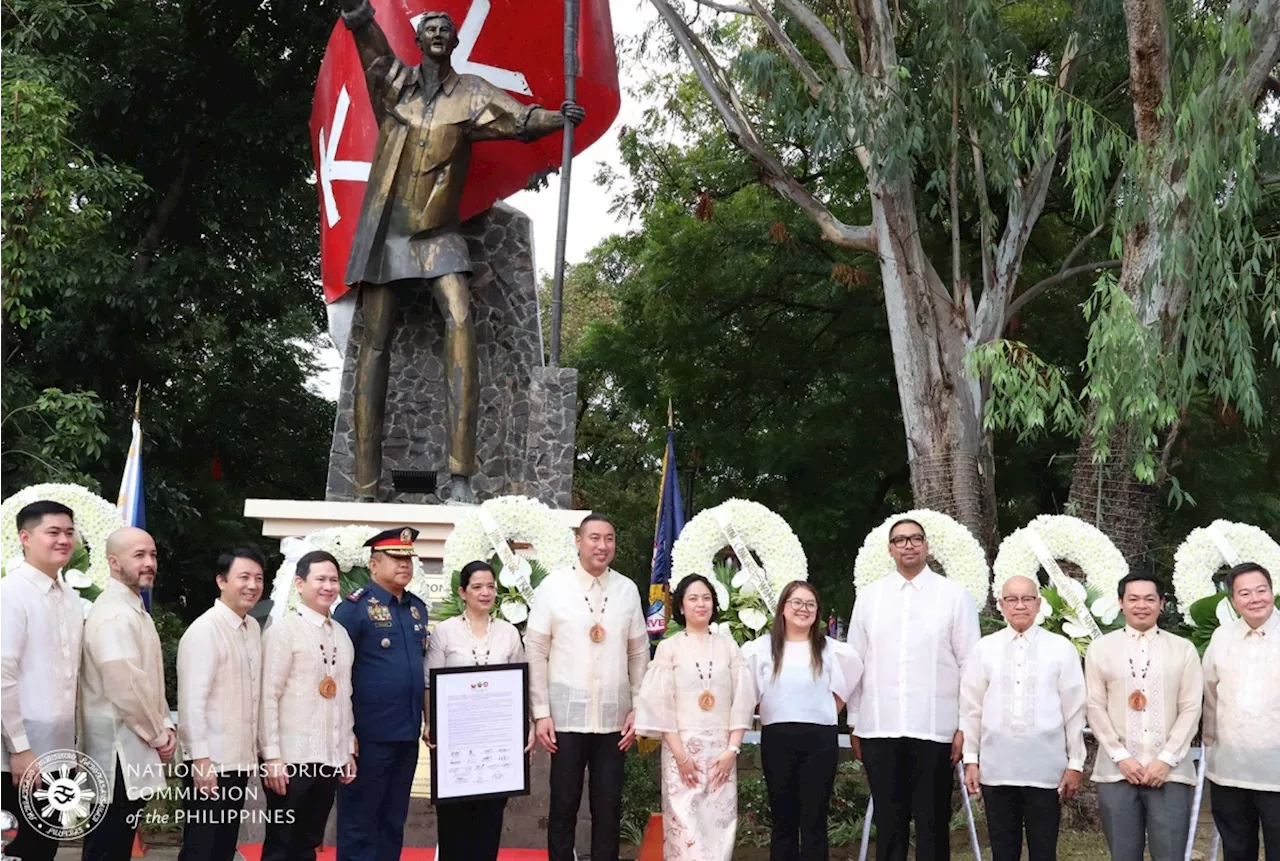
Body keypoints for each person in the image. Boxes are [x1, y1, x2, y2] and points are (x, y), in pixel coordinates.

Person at [333, 0, 586, 503]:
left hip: (439, 235)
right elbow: (374, 51)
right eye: (429, 29)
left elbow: (516, 117)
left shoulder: (469, 93)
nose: (437, 35)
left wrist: (558, 118)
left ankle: (460, 479)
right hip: (389, 234)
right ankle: (363, 488)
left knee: (462, 322)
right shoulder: (396, 84)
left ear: (453, 43)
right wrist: (359, 15)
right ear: (419, 39)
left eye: (444, 30)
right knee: (374, 345)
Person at [846, 518, 980, 861]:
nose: (908, 545)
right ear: (890, 549)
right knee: (889, 821)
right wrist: (856, 723)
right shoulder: (870, 598)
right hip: (880, 727)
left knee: (932, 820)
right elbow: (854, 665)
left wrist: (966, 726)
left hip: (935, 729)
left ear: (926, 545)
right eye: (900, 540)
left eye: (915, 538)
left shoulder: (953, 597)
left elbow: (971, 666)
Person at [526, 513, 649, 861]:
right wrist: (541, 713)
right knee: (563, 807)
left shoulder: (627, 590)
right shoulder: (553, 586)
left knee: (608, 808)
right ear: (578, 542)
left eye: (609, 538)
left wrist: (639, 707)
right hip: (565, 718)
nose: (602, 545)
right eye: (594, 538)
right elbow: (535, 651)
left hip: (614, 719)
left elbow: (638, 653)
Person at [959, 575, 1086, 861]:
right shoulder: (984, 648)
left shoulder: (1060, 648)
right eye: (1012, 599)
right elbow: (971, 707)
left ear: (1038, 604)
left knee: (1043, 851)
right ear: (1001, 605)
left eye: (1027, 598)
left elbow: (1075, 710)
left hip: (1046, 771)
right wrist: (971, 760)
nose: (1020, 605)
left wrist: (1075, 763)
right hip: (996, 768)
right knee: (1003, 851)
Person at [635, 574, 757, 861]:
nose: (700, 604)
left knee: (719, 828)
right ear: (680, 605)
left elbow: (743, 701)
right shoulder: (670, 647)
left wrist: (732, 750)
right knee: (684, 829)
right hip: (682, 752)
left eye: (706, 598)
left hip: (721, 753)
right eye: (693, 598)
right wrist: (681, 756)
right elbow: (661, 705)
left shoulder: (728, 646)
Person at [1084, 571, 1202, 861]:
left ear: (1161, 603)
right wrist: (1120, 756)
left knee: (1171, 853)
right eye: (1133, 598)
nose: (1141, 605)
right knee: (1123, 854)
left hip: (1170, 772)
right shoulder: (1100, 649)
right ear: (1120, 602)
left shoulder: (1183, 649)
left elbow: (1191, 707)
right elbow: (1094, 706)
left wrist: (1166, 759)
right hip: (1117, 771)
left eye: (1150, 599)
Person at [743, 581, 862, 861]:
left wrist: (828, 706)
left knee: (814, 820)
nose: (803, 609)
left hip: (819, 741)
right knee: (783, 820)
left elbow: (848, 682)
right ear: (783, 607)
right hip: (777, 739)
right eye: (796, 602)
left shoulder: (832, 650)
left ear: (817, 611)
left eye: (810, 604)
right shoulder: (761, 649)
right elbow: (749, 692)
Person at [333, 527, 430, 861]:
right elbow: (338, 675)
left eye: (408, 558)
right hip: (369, 735)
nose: (404, 564)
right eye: (395, 557)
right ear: (374, 565)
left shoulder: (417, 609)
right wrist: (346, 733)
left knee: (393, 820)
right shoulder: (354, 609)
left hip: (406, 734)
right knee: (360, 820)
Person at [81, 527, 178, 861]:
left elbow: (149, 679)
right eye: (139, 555)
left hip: (132, 745)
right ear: (113, 561)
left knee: (118, 843)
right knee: (107, 845)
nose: (149, 562)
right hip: (116, 750)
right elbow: (125, 685)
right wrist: (158, 733)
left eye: (152, 555)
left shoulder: (133, 608)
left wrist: (164, 724)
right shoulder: (112, 614)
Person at [424, 560, 528, 861]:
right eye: (477, 587)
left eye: (491, 586)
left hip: (496, 744)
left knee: (489, 822)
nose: (485, 593)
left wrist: (523, 728)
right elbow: (430, 684)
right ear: (463, 592)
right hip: (454, 745)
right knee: (454, 825)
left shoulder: (509, 633)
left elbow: (519, 684)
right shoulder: (444, 631)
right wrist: (430, 724)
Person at [259, 550, 357, 861]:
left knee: (308, 843)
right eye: (320, 579)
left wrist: (346, 751)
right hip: (291, 759)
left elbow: (344, 696)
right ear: (300, 584)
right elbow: (267, 695)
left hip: (327, 758)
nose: (328, 587)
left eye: (333, 580)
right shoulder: (283, 631)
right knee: (281, 843)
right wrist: (271, 755)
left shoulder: (341, 634)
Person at [0, 500, 84, 861]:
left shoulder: (71, 599)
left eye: (69, 532)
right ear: (25, 538)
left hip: (58, 754)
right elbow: (2, 672)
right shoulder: (11, 593)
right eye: (53, 532)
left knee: (44, 849)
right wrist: (19, 749)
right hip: (16, 755)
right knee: (15, 848)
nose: (63, 540)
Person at [176, 547, 266, 861]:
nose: (252, 585)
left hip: (238, 760)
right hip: (209, 762)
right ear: (221, 581)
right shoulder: (205, 631)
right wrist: (200, 760)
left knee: (224, 846)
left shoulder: (252, 627)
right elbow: (191, 703)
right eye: (243, 577)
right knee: (201, 845)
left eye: (258, 578)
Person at [1203, 562, 1280, 860]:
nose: (1255, 599)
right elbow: (1209, 691)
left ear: (1272, 592)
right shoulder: (1222, 637)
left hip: (1276, 769)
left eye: (1261, 590)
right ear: (1233, 600)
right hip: (1229, 768)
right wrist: (1210, 743)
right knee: (1236, 848)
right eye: (1245, 593)